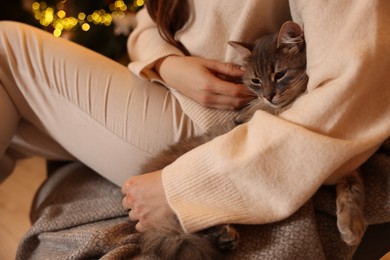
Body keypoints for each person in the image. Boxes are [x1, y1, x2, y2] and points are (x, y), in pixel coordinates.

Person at [0, 0, 389, 242]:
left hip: (214, 126)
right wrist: (167, 65)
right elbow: (147, 23)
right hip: (171, 91)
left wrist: (186, 185)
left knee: (6, 50)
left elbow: (349, 98)